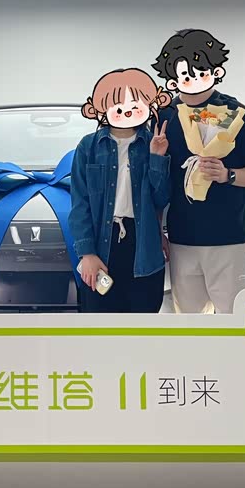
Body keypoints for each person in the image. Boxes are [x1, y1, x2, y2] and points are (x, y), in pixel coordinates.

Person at [153, 29, 245, 315]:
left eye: (201, 70)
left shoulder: (237, 114)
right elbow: (155, 182)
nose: (194, 78)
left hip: (230, 235)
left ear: (216, 70)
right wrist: (157, 229)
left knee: (237, 318)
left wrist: (228, 175)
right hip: (182, 236)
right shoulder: (164, 117)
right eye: (185, 74)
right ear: (172, 78)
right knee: (188, 320)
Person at [68, 68, 171, 313]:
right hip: (102, 242)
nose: (127, 112)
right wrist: (87, 253)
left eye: (135, 105)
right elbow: (80, 203)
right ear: (101, 108)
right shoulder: (88, 147)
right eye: (118, 105)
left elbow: (162, 198)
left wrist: (157, 158)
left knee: (143, 320)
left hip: (143, 243)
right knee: (100, 321)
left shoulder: (152, 143)